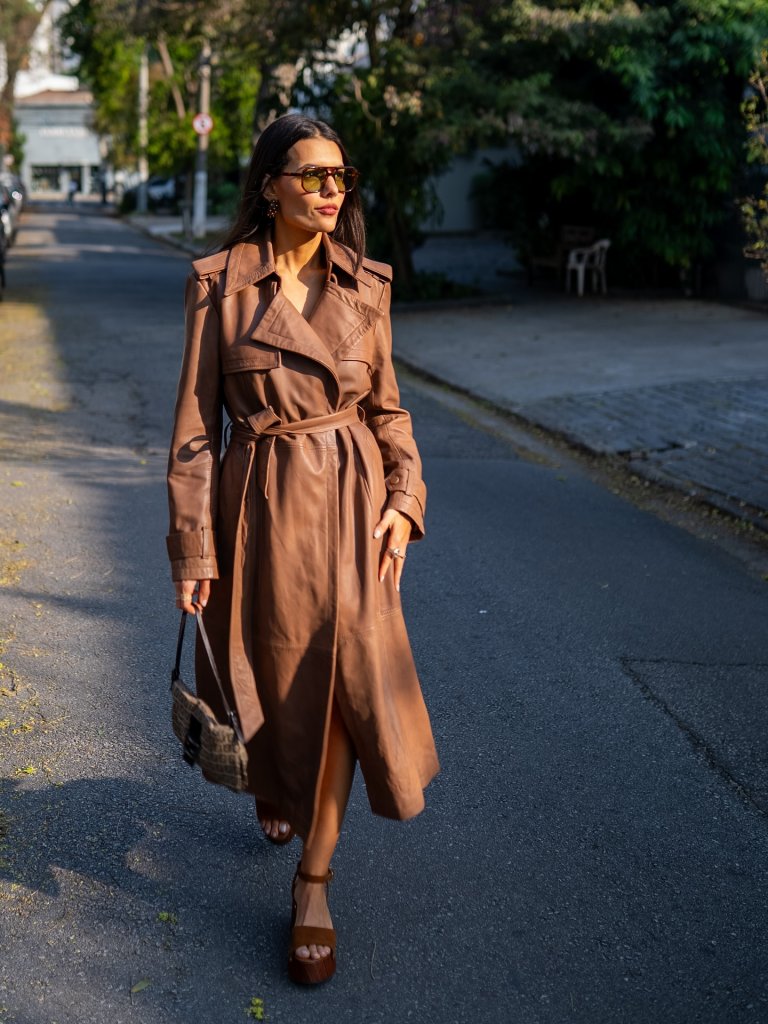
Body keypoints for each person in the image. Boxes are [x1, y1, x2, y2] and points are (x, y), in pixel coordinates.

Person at [166, 113, 439, 985]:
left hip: (355, 511)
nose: (331, 189)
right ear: (269, 187)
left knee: (347, 696)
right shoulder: (219, 286)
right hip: (260, 507)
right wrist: (194, 550)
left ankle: (313, 881)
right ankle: (276, 787)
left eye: (340, 177)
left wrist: (404, 499)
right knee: (274, 677)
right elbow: (194, 431)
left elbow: (388, 409)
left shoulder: (367, 285)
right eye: (313, 175)